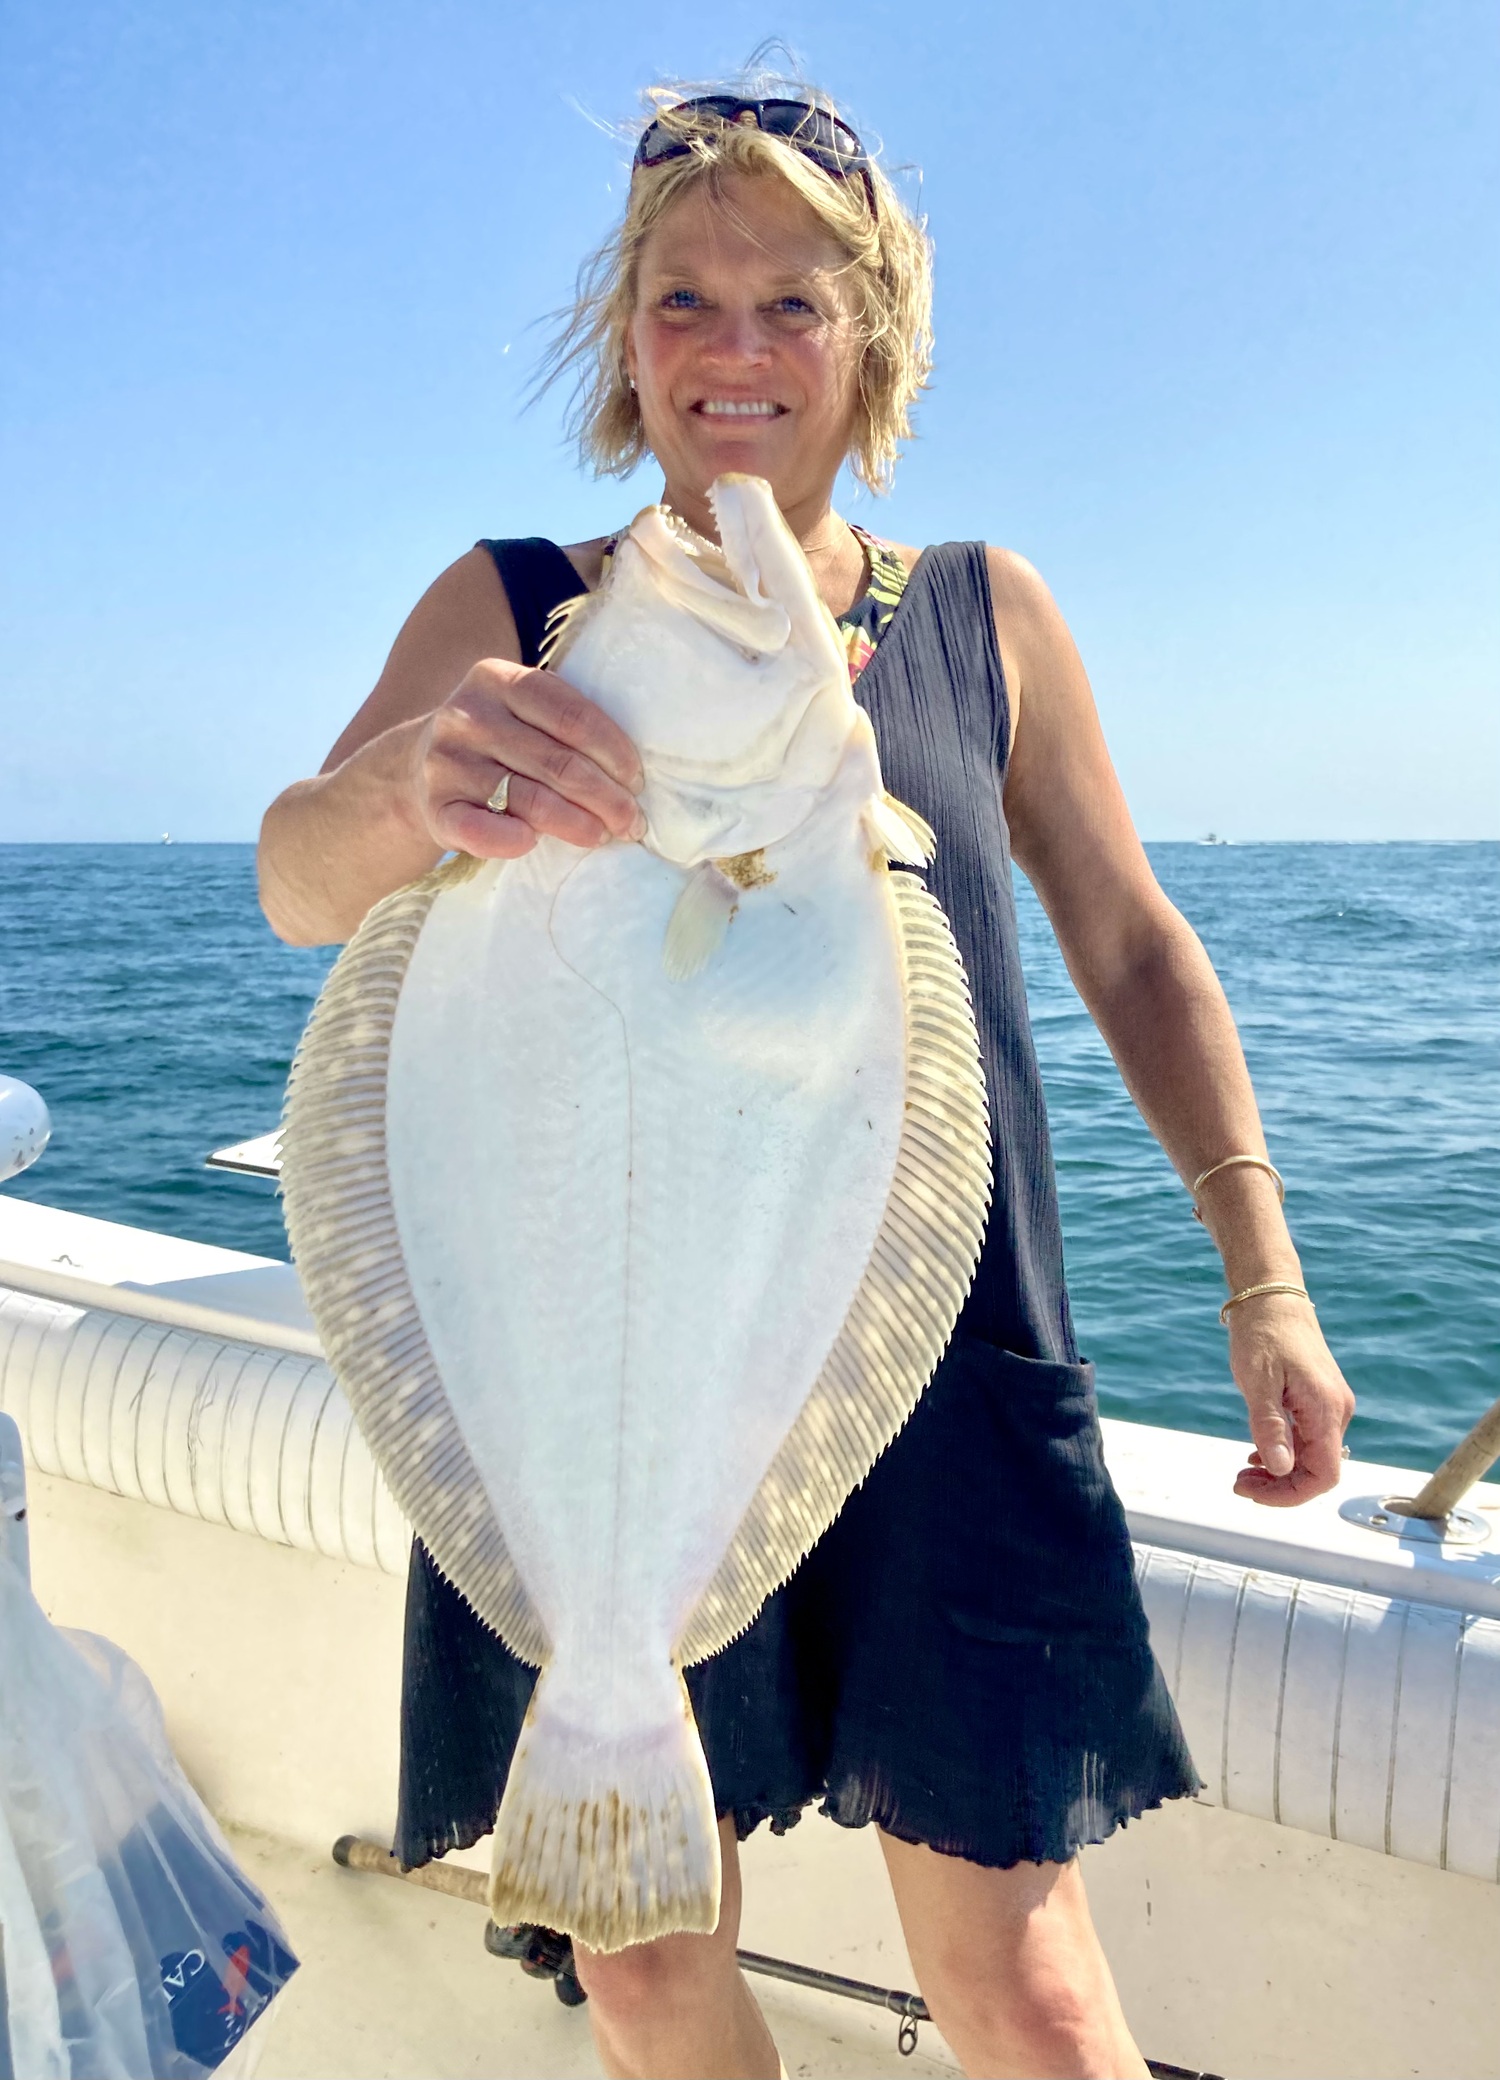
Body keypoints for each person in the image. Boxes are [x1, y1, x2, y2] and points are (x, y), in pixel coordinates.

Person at [258, 79, 1355, 2080]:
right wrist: (404, 790)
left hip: (922, 1361)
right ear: (629, 342)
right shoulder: (511, 608)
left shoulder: (983, 615)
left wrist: (1262, 1269)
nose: (737, 350)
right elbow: (295, 887)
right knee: (648, 1964)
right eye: (687, 300)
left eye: (793, 304)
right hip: (593, 1390)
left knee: (1027, 1985)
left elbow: (1129, 943)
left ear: (875, 343)